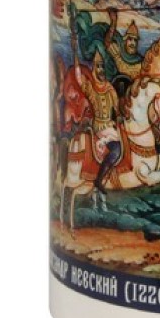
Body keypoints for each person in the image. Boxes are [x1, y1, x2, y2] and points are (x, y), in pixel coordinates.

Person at [71, 30, 121, 195]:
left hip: (111, 126)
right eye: (98, 67)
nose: (100, 70)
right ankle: (99, 180)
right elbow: (79, 78)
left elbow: (117, 108)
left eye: (102, 67)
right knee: (116, 149)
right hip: (99, 127)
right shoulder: (91, 88)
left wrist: (120, 117)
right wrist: (75, 53)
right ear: (94, 68)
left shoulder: (110, 88)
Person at [104, 9, 143, 79]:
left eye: (135, 40)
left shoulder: (141, 60)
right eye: (130, 39)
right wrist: (114, 22)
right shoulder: (118, 53)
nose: (133, 43)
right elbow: (107, 42)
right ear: (125, 40)